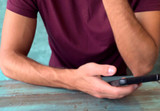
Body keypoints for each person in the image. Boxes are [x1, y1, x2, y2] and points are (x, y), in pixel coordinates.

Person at [0, 0, 160, 99]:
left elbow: (142, 65)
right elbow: (8, 60)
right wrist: (73, 80)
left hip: (115, 87)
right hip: (57, 84)